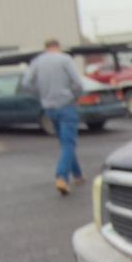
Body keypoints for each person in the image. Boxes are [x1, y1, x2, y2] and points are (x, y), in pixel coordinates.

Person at [22, 39, 85, 195]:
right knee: (69, 143)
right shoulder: (65, 59)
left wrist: (41, 94)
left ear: (46, 48)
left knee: (65, 142)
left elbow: (26, 83)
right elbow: (78, 82)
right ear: (58, 47)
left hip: (49, 107)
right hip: (66, 105)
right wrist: (74, 96)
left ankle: (77, 175)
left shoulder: (37, 62)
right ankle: (61, 177)